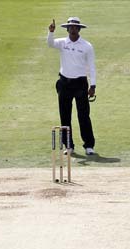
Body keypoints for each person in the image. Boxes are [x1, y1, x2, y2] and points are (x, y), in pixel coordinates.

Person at [47, 16, 97, 156]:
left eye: (76, 27)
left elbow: (92, 66)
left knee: (83, 116)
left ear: (79, 29)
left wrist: (93, 85)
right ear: (67, 29)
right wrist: (51, 32)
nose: (73, 29)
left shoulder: (87, 46)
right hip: (64, 83)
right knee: (65, 115)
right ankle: (68, 145)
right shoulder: (62, 42)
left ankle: (89, 145)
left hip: (80, 83)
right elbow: (50, 44)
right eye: (71, 27)